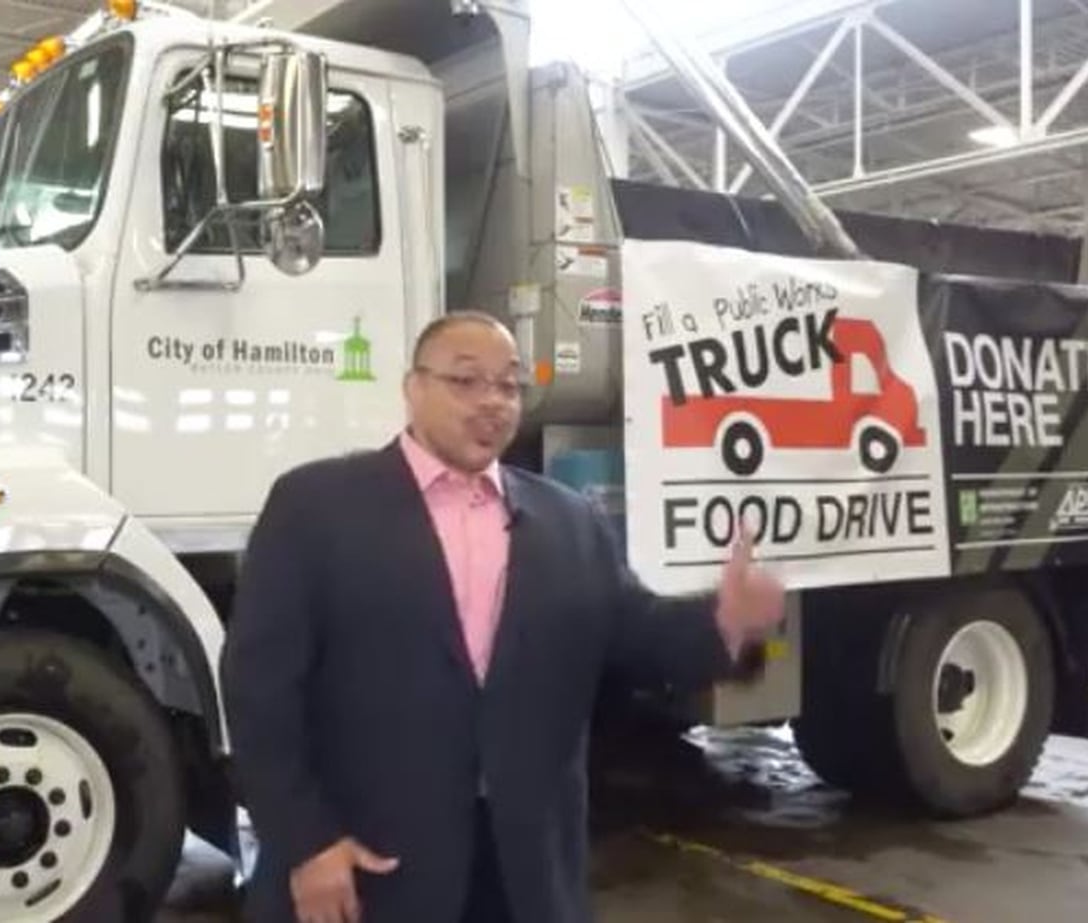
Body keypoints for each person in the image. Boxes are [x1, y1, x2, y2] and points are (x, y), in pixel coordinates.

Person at [220, 311, 786, 923]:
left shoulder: (570, 522)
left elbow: (638, 633)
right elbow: (259, 690)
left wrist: (727, 621)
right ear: (413, 388)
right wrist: (306, 841)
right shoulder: (316, 506)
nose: (492, 401)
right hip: (369, 869)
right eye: (466, 381)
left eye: (509, 384)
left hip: (524, 874)